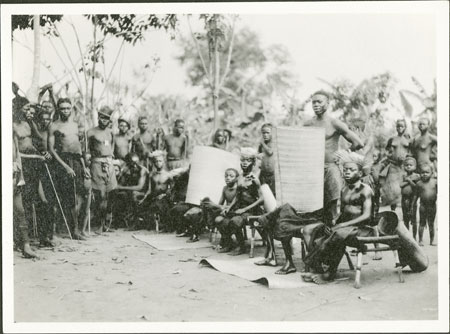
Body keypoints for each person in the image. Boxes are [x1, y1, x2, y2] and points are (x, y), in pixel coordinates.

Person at [303, 152, 375, 283]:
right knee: (322, 231)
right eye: (345, 169)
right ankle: (318, 267)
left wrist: (342, 225)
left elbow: (367, 215)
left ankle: (329, 274)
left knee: (338, 234)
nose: (347, 172)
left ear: (360, 173)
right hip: (347, 228)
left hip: (363, 228)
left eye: (351, 170)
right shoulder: (344, 190)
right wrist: (336, 222)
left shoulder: (366, 190)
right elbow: (343, 214)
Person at [304, 90, 364, 225]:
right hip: (314, 170)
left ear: (327, 104)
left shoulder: (334, 123)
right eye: (313, 102)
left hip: (331, 168)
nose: (316, 105)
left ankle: (337, 238)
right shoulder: (308, 124)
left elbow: (358, 143)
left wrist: (345, 152)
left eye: (319, 102)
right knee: (315, 208)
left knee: (333, 206)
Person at [14, 97, 55, 247]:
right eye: (25, 109)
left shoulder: (28, 123)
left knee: (43, 201)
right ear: (17, 109)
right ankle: (21, 240)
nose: (29, 112)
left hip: (34, 163)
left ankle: (44, 237)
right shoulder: (11, 125)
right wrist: (34, 156)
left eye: (30, 109)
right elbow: (14, 152)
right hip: (23, 164)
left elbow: (38, 137)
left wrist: (40, 154)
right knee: (25, 203)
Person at [48, 98, 90, 240]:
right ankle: (66, 231)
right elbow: (51, 149)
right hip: (62, 161)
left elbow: (79, 148)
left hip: (76, 161)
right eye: (62, 108)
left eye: (67, 108)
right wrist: (65, 166)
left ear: (71, 109)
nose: (65, 111)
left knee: (79, 195)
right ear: (58, 109)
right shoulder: (54, 126)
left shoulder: (75, 125)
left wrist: (84, 167)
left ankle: (75, 229)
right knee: (66, 196)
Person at [217, 148, 265, 256]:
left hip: (252, 209)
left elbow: (261, 199)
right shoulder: (239, 177)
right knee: (220, 220)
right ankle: (228, 243)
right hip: (239, 207)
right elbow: (237, 196)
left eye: (247, 160)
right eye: (242, 160)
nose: (244, 163)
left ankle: (241, 246)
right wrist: (229, 207)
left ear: (253, 162)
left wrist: (244, 209)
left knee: (234, 221)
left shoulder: (254, 179)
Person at [140, 150, 189, 231]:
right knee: (141, 205)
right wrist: (144, 198)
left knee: (162, 205)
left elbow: (172, 189)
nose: (158, 163)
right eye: (156, 161)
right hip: (154, 196)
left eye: (160, 161)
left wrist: (166, 194)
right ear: (154, 163)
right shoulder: (151, 175)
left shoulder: (168, 175)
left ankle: (165, 225)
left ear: (163, 162)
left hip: (164, 197)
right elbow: (149, 189)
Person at [87, 106, 118, 234]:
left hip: (109, 164)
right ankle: (99, 224)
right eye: (102, 117)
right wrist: (87, 165)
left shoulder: (111, 132)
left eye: (106, 118)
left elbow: (112, 148)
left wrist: (112, 162)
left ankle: (107, 222)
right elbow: (87, 150)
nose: (104, 120)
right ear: (98, 117)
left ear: (109, 120)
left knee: (112, 193)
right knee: (99, 195)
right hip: (96, 164)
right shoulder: (91, 132)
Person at [13, 129, 38, 259]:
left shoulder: (13, 137)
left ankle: (26, 246)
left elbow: (17, 156)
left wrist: (20, 177)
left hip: (14, 176)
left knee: (21, 211)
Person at [112, 152, 149, 229]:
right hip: (132, 191)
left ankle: (136, 222)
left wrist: (122, 187)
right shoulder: (128, 170)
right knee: (119, 194)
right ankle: (118, 220)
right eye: (132, 163)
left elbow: (139, 187)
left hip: (145, 193)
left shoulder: (142, 170)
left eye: (136, 163)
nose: (135, 165)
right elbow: (121, 183)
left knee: (133, 194)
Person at [411, 162, 437, 246]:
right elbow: (415, 196)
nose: (424, 174)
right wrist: (412, 205)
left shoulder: (435, 182)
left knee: (431, 224)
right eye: (422, 173)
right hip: (423, 206)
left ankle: (432, 240)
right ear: (420, 174)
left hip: (432, 206)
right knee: (422, 223)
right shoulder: (419, 184)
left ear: (431, 173)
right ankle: (420, 240)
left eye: (427, 172)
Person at [214, 168, 240, 251]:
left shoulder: (239, 189)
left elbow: (236, 202)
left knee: (227, 222)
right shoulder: (225, 188)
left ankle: (227, 243)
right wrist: (220, 208)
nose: (228, 178)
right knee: (217, 219)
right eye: (226, 176)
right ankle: (228, 240)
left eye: (231, 176)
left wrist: (227, 209)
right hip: (227, 212)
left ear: (236, 178)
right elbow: (220, 202)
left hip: (236, 211)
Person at [400, 157, 420, 239]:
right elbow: (400, 185)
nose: (408, 166)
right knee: (405, 218)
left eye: (410, 165)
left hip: (413, 199)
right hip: (404, 199)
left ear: (415, 166)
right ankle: (407, 237)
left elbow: (416, 187)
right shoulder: (403, 175)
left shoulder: (417, 176)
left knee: (413, 219)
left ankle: (414, 237)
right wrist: (408, 180)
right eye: (406, 165)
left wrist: (409, 180)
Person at [258, 123, 276, 196]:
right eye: (263, 133)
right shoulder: (262, 145)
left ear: (272, 133)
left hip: (272, 174)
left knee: (272, 193)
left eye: (267, 133)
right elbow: (259, 153)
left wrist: (262, 143)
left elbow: (270, 152)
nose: (265, 135)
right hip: (263, 172)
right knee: (262, 192)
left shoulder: (273, 142)